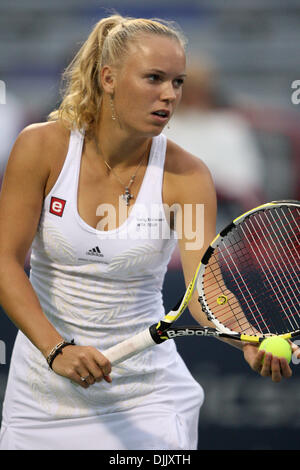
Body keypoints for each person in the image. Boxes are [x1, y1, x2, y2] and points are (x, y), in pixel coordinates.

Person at [0, 14, 294, 451]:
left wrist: (246, 338)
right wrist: (57, 349)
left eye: (178, 82)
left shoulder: (189, 176)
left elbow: (203, 289)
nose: (170, 95)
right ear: (108, 78)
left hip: (149, 401)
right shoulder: (41, 147)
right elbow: (6, 262)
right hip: (40, 397)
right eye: (154, 78)